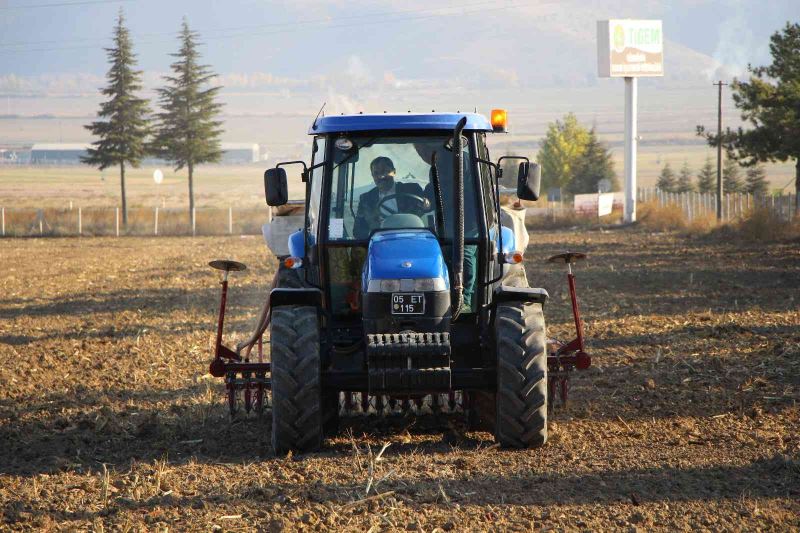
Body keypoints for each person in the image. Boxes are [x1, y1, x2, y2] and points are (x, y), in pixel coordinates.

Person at [353, 156, 428, 239]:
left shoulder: (412, 189)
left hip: (412, 237)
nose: (380, 176)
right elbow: (358, 230)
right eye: (376, 173)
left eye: (384, 172)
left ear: (394, 172)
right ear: (372, 176)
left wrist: (426, 204)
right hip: (381, 242)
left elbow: (426, 206)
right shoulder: (366, 199)